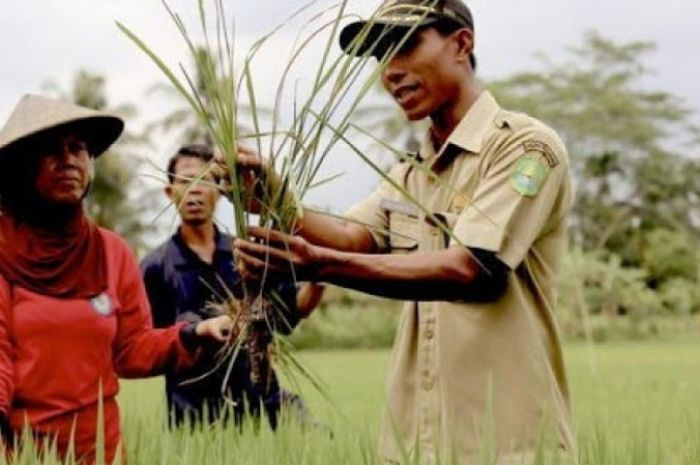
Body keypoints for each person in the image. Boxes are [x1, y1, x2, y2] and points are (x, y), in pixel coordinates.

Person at [232, 0, 576, 463]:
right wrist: (278, 201)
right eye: (380, 56)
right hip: (419, 445)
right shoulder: (412, 173)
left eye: (404, 46)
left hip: (509, 447)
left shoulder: (523, 148)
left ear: (461, 43)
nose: (390, 72)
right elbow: (354, 236)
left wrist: (320, 265)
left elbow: (474, 268)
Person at [0, 95, 231, 464]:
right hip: (26, 453)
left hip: (103, 452)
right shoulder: (5, 253)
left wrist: (194, 333)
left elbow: (132, 350)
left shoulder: (112, 252)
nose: (69, 160)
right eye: (52, 150)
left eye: (77, 148)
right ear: (23, 166)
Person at [141, 143, 320, 430]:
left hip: (261, 405)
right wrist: (196, 333)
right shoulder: (156, 267)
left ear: (221, 191)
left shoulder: (247, 253)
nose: (195, 190)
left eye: (204, 181)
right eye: (185, 181)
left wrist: (319, 273)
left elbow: (291, 309)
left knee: (318, 440)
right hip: (193, 418)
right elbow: (146, 346)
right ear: (169, 192)